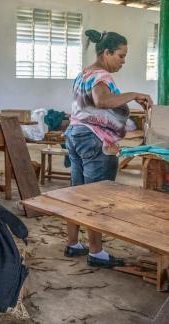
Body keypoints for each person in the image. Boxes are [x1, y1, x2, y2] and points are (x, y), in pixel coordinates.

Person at [63, 29, 153, 268]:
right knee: (97, 197)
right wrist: (133, 94)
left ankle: (73, 243)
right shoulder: (103, 76)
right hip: (94, 140)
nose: (123, 61)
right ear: (106, 53)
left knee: (77, 193)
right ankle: (96, 252)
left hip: (75, 134)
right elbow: (102, 100)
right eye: (120, 56)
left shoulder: (84, 74)